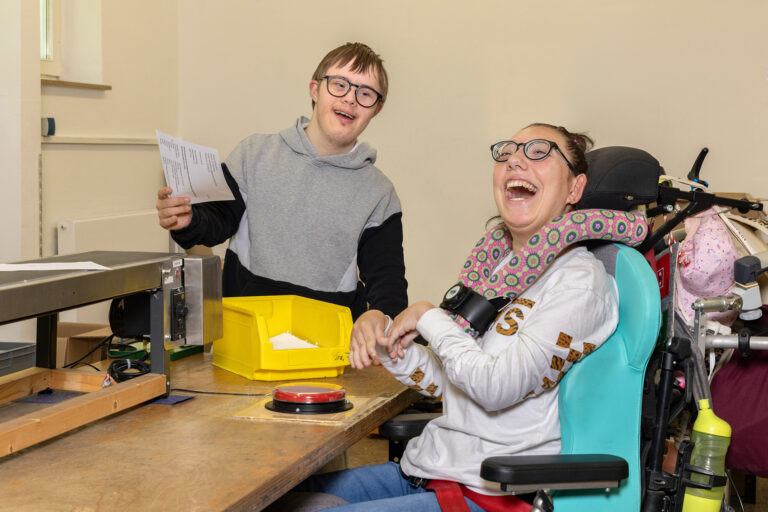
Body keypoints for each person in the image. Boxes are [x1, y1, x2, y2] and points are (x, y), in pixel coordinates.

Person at [279, 123, 621, 512]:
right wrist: (391, 344)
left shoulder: (579, 283)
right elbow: (454, 385)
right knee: (275, 501)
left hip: (489, 492)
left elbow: (495, 388)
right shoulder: (500, 271)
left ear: (575, 189)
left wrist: (428, 316)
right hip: (428, 469)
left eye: (540, 151)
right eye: (508, 152)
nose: (516, 160)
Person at [155, 42, 407, 348]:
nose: (350, 99)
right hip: (244, 338)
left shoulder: (379, 193)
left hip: (326, 349)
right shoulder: (254, 154)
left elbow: (388, 284)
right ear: (315, 90)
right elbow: (216, 221)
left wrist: (381, 316)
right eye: (339, 85)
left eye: (365, 93)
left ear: (376, 109)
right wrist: (187, 220)